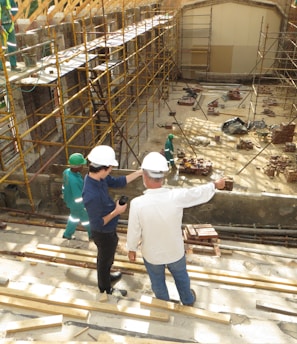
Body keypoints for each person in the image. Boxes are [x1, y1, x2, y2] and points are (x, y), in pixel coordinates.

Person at [127, 152, 226, 306]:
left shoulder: (137, 203)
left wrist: (131, 249)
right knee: (181, 277)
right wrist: (214, 185)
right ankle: (187, 300)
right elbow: (197, 193)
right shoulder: (176, 196)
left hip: (152, 254)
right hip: (175, 251)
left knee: (157, 282)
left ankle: (163, 303)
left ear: (144, 176)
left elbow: (134, 230)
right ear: (163, 177)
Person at [82, 145, 142, 296]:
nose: (111, 171)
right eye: (110, 168)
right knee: (104, 259)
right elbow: (97, 223)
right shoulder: (91, 194)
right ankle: (105, 288)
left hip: (109, 230)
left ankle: (107, 276)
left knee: (107, 257)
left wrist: (139, 173)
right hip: (102, 232)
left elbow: (118, 182)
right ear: (103, 168)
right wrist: (117, 211)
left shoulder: (98, 177)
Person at [62, 153, 91, 240]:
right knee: (88, 220)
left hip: (70, 201)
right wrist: (84, 206)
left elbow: (64, 186)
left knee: (74, 218)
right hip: (78, 205)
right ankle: (93, 236)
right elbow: (78, 197)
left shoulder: (66, 172)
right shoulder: (74, 181)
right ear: (77, 167)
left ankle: (67, 234)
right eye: (82, 165)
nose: (83, 166)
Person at [0, 0, 21, 72]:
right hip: (1, 26)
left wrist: (12, 14)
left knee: (12, 45)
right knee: (1, 48)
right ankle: (1, 68)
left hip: (10, 26)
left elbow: (15, 8)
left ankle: (13, 65)